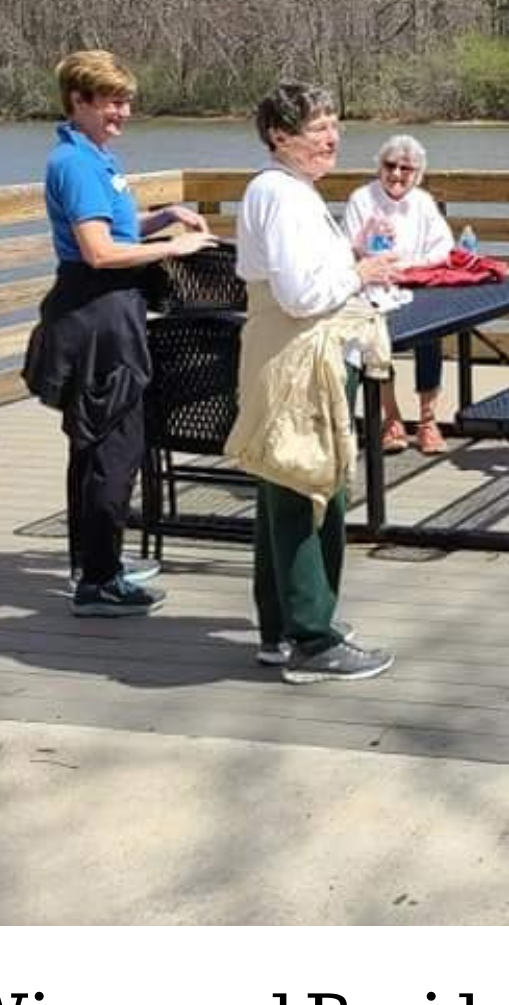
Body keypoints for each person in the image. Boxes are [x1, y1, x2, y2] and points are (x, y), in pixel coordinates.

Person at [26, 49, 215, 618]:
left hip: (107, 309)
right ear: (78, 101)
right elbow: (99, 251)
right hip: (98, 316)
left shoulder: (96, 157)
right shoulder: (78, 164)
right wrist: (173, 248)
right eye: (111, 101)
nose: (123, 111)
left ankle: (93, 564)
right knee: (115, 446)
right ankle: (100, 583)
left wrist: (164, 217)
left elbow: (114, 228)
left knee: (93, 444)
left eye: (126, 100)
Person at [227, 83, 403, 683]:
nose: (331, 139)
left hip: (298, 352)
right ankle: (311, 637)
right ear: (280, 135)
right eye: (317, 128)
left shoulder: (289, 192)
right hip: (298, 356)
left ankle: (281, 628)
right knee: (307, 487)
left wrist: (348, 263)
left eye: (335, 127)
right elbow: (301, 296)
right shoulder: (279, 193)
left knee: (286, 487)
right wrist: (360, 269)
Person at [345, 133, 455, 455]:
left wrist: (411, 267)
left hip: (414, 284)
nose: (396, 174)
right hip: (372, 288)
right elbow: (345, 249)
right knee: (376, 339)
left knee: (431, 334)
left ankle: (428, 420)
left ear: (417, 173)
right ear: (379, 166)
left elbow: (444, 248)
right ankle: (391, 418)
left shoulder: (422, 202)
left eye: (405, 169)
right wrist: (369, 258)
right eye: (389, 166)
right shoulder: (361, 199)